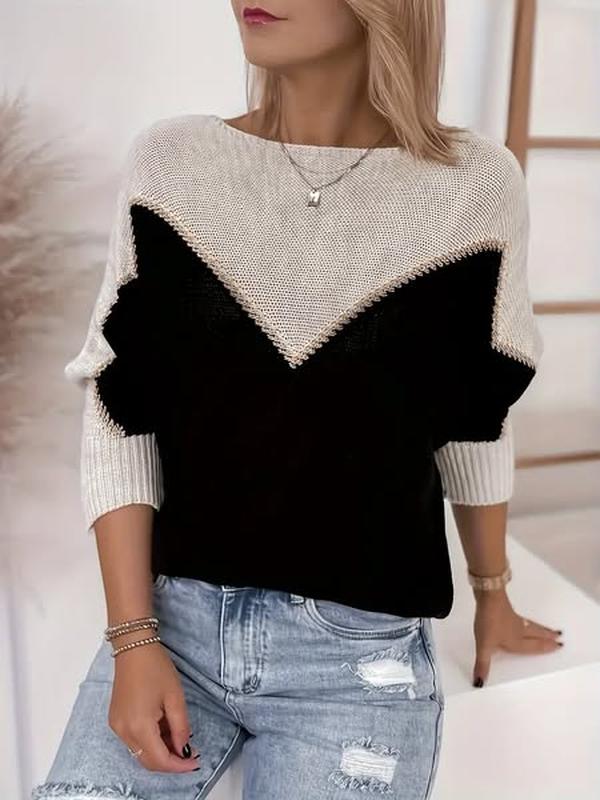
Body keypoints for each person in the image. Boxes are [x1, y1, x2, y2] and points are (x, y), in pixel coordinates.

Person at [31, 2, 561, 799]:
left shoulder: (475, 184)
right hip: (173, 627)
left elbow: (472, 418)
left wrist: (494, 593)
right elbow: (118, 412)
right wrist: (133, 639)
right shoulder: (172, 163)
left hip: (358, 661)